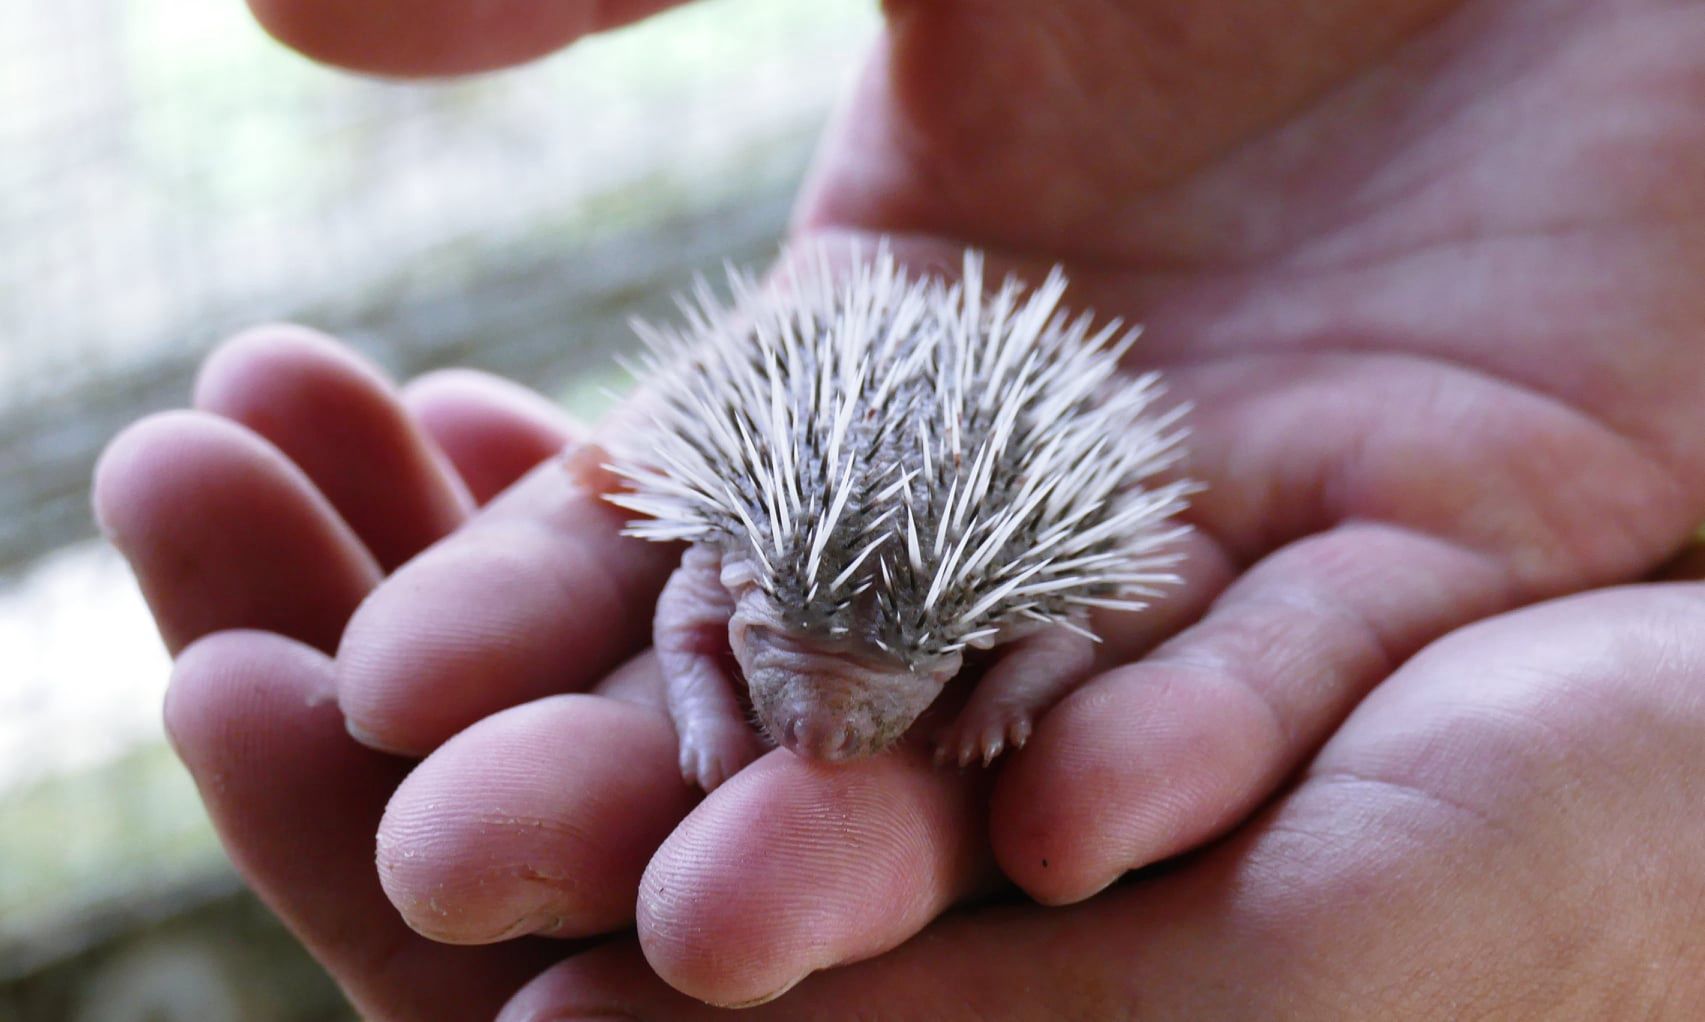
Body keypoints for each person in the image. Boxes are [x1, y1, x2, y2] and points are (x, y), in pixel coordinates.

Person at [93, 0, 1705, 1017]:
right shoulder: (737, 559)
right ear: (746, 594)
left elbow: (1059, 629)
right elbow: (694, 609)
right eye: (793, 677)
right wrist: (720, 707)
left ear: (956, 640)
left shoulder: (1005, 585)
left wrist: (1005, 696)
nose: (821, 734)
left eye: (874, 698)